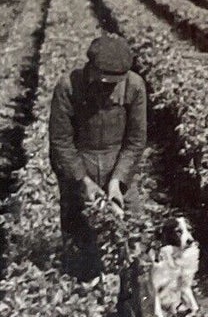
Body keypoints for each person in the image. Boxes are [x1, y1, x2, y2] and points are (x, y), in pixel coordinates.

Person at [48, 33, 147, 282]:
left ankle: (133, 301)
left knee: (133, 238)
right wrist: (83, 181)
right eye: (103, 83)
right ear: (90, 69)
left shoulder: (134, 86)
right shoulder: (68, 87)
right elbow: (61, 141)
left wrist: (118, 181)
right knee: (79, 239)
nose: (107, 89)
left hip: (118, 162)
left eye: (113, 84)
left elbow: (135, 141)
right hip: (80, 162)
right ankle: (83, 294)